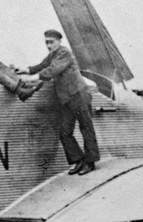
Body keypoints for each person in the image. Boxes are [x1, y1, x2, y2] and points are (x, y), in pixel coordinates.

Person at [23, 29, 101, 174]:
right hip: (67, 98)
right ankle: (78, 160)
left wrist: (33, 78)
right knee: (64, 131)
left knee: (86, 128)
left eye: (51, 42)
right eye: (46, 42)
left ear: (59, 41)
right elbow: (41, 66)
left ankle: (90, 162)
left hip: (78, 95)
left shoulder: (64, 53)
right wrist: (24, 70)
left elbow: (53, 70)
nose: (48, 45)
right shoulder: (53, 55)